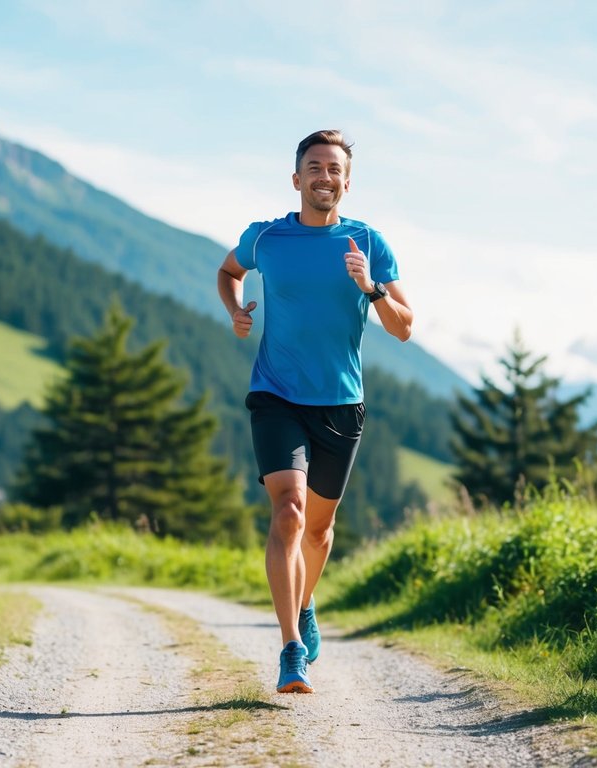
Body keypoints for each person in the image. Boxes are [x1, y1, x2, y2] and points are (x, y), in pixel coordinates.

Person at [216, 129, 414, 693]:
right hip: (275, 395)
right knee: (289, 512)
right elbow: (229, 271)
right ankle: (290, 649)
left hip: (341, 404)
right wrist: (236, 311)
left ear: (346, 182)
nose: (324, 176)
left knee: (320, 530)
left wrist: (372, 289)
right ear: (296, 177)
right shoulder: (267, 238)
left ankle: (305, 605)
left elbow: (405, 328)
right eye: (315, 166)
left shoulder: (368, 241)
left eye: (335, 169)